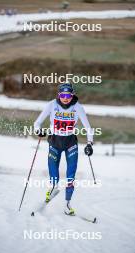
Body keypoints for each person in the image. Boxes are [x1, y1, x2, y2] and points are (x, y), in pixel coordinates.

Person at [34, 83, 93, 215]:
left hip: (70, 142)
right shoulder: (51, 105)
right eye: (63, 95)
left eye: (68, 95)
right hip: (55, 141)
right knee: (53, 171)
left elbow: (88, 127)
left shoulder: (78, 107)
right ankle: (53, 188)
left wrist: (89, 143)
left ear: (72, 95)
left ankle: (67, 203)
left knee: (71, 174)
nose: (65, 98)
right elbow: (36, 123)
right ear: (59, 95)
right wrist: (39, 131)